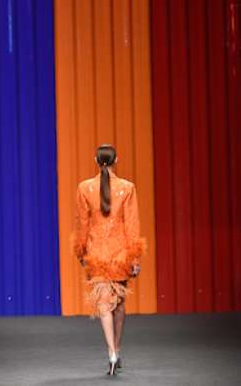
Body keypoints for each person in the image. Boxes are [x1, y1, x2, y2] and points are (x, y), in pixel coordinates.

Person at [75, 145, 146, 376]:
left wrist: (81, 251)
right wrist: (135, 257)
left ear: (95, 160)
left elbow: (82, 224)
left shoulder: (84, 187)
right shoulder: (127, 188)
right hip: (120, 253)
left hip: (96, 252)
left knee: (104, 304)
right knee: (119, 304)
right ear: (117, 160)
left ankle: (112, 352)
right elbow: (132, 225)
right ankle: (117, 348)